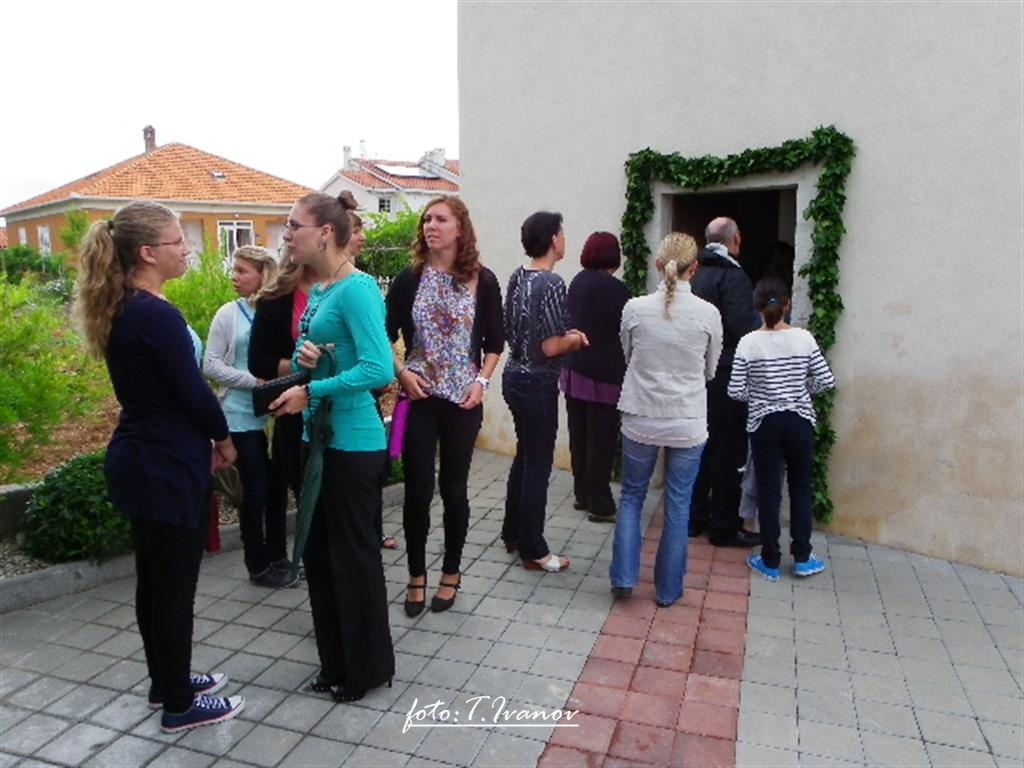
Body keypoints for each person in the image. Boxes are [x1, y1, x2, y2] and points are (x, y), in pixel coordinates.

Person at [73, 201, 244, 732]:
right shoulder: (155, 314)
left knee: (154, 584)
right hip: (164, 464)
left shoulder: (127, 307)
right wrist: (223, 438)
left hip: (142, 460)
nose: (187, 249)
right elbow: (191, 391)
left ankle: (164, 680)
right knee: (172, 590)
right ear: (148, 252)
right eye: (177, 242)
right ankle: (178, 704)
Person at [269, 191, 395, 702]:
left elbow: (379, 370)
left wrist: (311, 389)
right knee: (320, 559)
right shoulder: (321, 289)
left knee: (352, 559)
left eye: (294, 225)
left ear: (325, 231)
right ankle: (335, 662)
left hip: (352, 445)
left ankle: (365, 669)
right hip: (316, 440)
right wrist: (308, 358)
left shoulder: (358, 289)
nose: (286, 234)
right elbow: (331, 358)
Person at [385, 195, 503, 616]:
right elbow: (382, 336)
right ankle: (416, 576)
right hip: (418, 399)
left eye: (440, 219)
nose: (430, 225)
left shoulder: (483, 280)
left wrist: (482, 381)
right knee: (417, 492)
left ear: (459, 228)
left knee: (455, 490)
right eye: (426, 219)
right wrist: (402, 373)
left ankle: (451, 573)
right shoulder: (409, 278)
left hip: (463, 401)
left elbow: (495, 342)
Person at [609, 232, 722, 607]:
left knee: (631, 497)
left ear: (659, 265)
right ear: (695, 268)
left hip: (642, 413)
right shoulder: (709, 314)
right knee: (678, 503)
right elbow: (709, 371)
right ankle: (668, 590)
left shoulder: (634, 308)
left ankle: (624, 578)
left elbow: (627, 356)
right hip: (687, 419)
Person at [728, 277, 835, 581]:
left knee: (768, 491)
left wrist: (762, 396)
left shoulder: (748, 343)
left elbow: (735, 391)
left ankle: (770, 559)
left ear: (757, 307)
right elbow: (826, 380)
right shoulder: (804, 338)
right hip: (800, 420)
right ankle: (802, 557)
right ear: (788, 304)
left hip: (764, 423)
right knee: (800, 488)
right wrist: (801, 389)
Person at [502, 211, 589, 572]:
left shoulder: (518, 276)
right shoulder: (552, 283)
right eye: (563, 234)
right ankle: (534, 549)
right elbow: (552, 346)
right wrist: (576, 339)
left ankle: (513, 532)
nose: (565, 239)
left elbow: (512, 328)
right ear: (553, 240)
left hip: (513, 374)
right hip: (537, 380)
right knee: (538, 464)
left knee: (524, 456)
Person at [203, 245, 292, 587]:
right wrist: (256, 382)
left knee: (277, 489)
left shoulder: (277, 310)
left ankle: (279, 556)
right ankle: (257, 564)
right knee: (255, 491)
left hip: (280, 413)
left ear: (263, 274)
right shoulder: (229, 314)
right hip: (240, 415)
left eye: (242, 271)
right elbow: (210, 365)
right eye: (234, 269)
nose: (234, 276)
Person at [688, 216, 760, 547]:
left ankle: (693, 518)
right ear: (737, 239)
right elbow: (744, 328)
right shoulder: (734, 277)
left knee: (696, 446)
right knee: (727, 451)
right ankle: (723, 527)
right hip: (726, 375)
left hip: (694, 373)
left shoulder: (694, 273)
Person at [248, 250, 318, 579]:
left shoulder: (348, 288)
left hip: (341, 410)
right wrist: (299, 369)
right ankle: (282, 556)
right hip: (292, 409)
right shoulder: (276, 299)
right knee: (288, 484)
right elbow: (258, 361)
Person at [561, 231, 631, 523]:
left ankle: (582, 495)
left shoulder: (577, 282)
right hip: (604, 374)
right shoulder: (616, 290)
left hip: (573, 367)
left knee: (579, 437)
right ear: (613, 257)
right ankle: (601, 505)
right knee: (601, 441)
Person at [348, 206, 399, 551]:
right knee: (371, 467)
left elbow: (382, 341)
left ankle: (374, 530)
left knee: (383, 464)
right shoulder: (353, 288)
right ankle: (366, 534)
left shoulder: (361, 283)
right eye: (356, 230)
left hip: (380, 397)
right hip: (354, 400)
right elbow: (386, 341)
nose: (363, 236)